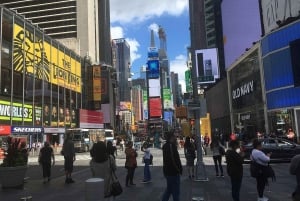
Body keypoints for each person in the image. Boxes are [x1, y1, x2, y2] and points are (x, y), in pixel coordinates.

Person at [162, 131, 182, 201]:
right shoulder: (171, 146)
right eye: (174, 136)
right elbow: (174, 159)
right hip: (173, 172)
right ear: (171, 137)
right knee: (175, 191)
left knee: (169, 189)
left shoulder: (165, 146)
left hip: (168, 171)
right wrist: (179, 169)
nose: (175, 138)